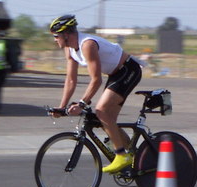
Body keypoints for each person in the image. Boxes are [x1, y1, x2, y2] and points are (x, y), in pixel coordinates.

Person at [49, 15, 143, 173]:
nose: (55, 40)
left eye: (56, 36)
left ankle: (121, 155)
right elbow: (71, 80)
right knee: (107, 120)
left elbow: (96, 80)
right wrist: (62, 106)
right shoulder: (69, 49)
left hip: (128, 70)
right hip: (115, 75)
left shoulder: (87, 45)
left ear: (66, 34)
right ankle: (135, 156)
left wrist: (82, 103)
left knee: (101, 111)